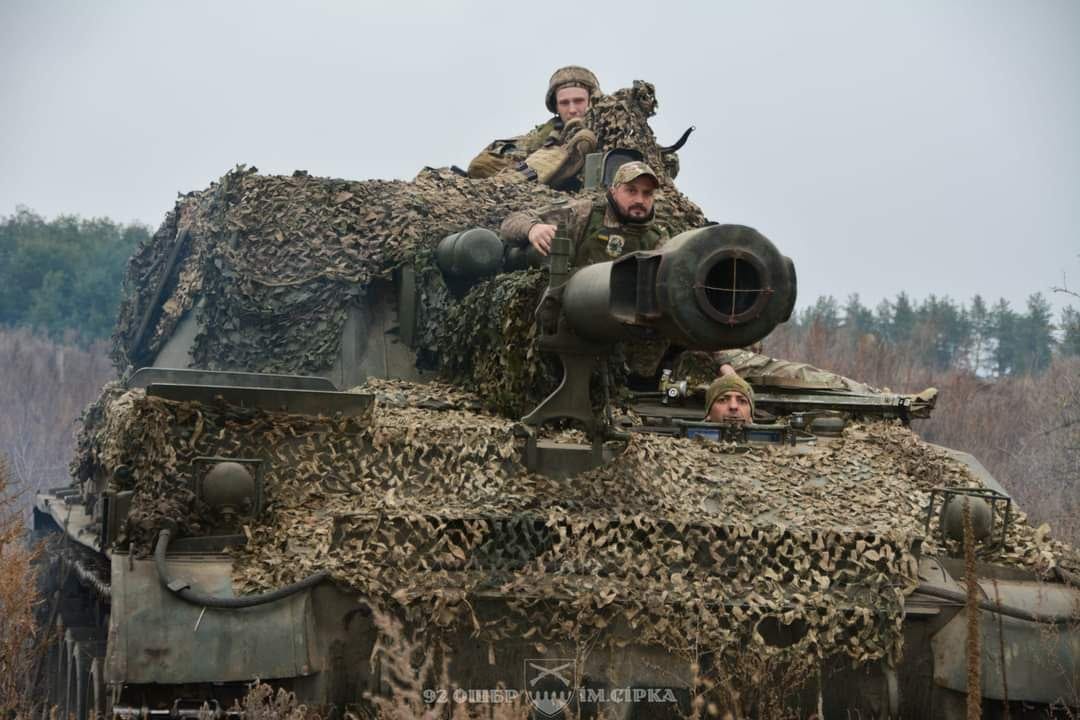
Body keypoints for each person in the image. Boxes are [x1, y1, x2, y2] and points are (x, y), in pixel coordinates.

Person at [500, 160, 666, 269]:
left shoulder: (658, 239)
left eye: (647, 193)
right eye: (631, 190)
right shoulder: (585, 213)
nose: (640, 200)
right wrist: (533, 228)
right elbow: (513, 221)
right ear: (613, 192)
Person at [467, 66, 601, 189]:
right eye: (564, 103)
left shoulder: (609, 126)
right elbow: (481, 165)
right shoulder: (544, 136)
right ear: (556, 107)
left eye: (578, 101)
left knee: (585, 137)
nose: (572, 110)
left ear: (592, 100)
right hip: (537, 189)